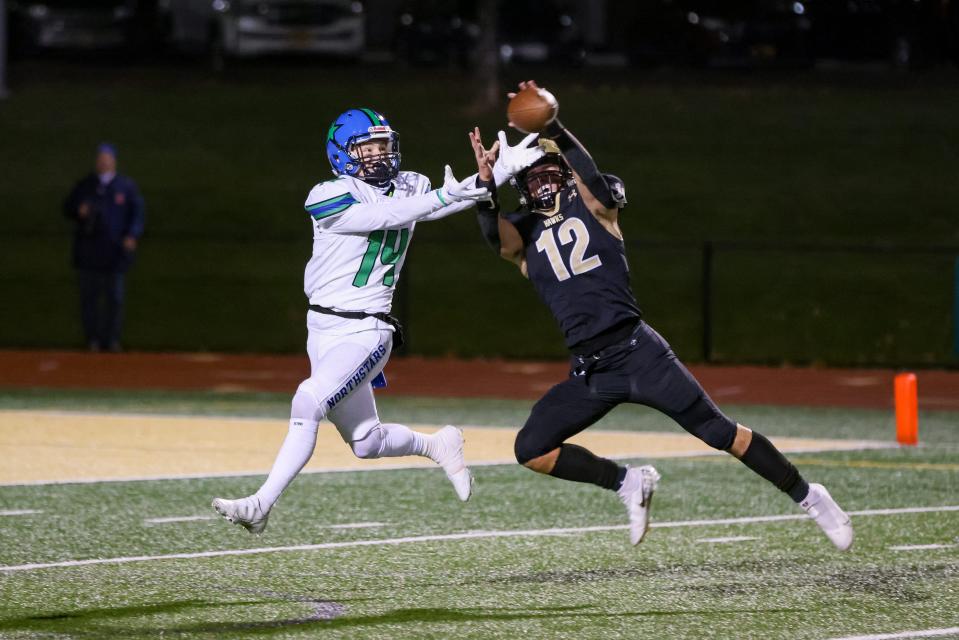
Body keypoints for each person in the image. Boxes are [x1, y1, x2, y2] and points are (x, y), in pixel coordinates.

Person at [468, 81, 854, 550]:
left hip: (637, 351)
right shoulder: (524, 240)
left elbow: (594, 183)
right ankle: (629, 483)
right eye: (532, 178)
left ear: (565, 174)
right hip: (592, 370)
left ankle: (810, 496)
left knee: (720, 433)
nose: (543, 182)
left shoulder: (594, 206)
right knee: (530, 449)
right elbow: (496, 240)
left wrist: (557, 130)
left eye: (550, 171)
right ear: (522, 189)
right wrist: (485, 188)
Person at [212, 107, 529, 535]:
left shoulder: (411, 186)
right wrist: (448, 195)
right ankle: (438, 444)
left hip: (367, 329)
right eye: (368, 147)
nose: (379, 155)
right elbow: (383, 216)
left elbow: (432, 205)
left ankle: (261, 503)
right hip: (321, 330)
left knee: (308, 400)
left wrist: (494, 175)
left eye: (384, 145)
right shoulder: (326, 194)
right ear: (342, 154)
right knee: (366, 442)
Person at [62, 143, 145, 352]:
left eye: (106, 158)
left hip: (114, 252)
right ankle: (92, 339)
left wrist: (132, 235)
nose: (103, 162)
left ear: (113, 161)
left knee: (114, 299)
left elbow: (137, 213)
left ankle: (113, 339)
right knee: (89, 298)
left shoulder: (126, 187)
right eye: (100, 158)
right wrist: (78, 210)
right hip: (89, 251)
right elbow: (68, 207)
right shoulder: (86, 185)